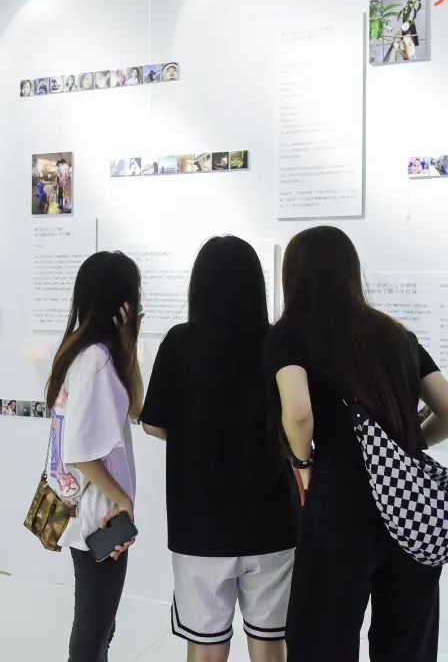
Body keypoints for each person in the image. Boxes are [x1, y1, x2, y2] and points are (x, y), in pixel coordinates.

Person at [265, 226, 448, 662]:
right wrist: (408, 446)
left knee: (323, 640)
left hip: (339, 502)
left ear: (293, 275)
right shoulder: (396, 335)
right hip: (409, 502)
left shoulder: (290, 335)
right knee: (407, 643)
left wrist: (302, 463)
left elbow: (298, 411)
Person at [141, 236, 296, 662]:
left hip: (198, 522)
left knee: (205, 646)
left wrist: (192, 436)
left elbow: (153, 422)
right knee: (270, 643)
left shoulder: (179, 342)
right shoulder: (277, 342)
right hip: (271, 520)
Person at [44, 251, 143, 662]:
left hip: (82, 510)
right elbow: (80, 452)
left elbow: (137, 408)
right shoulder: (97, 360)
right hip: (100, 515)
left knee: (99, 626)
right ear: (123, 304)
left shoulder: (84, 350)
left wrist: (129, 346)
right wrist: (122, 499)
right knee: (92, 633)